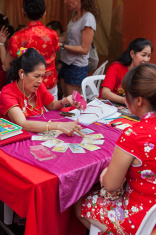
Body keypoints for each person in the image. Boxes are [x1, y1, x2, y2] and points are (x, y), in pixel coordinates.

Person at [75, 63, 156, 234]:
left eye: (126, 95)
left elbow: (111, 185)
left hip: (141, 218)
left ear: (139, 100)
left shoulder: (134, 134)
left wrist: (105, 175)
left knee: (78, 201)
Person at [0, 48, 84, 137]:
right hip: (20, 137)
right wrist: (58, 125)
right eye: (36, 76)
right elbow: (23, 123)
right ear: (21, 73)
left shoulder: (38, 86)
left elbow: (52, 105)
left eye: (42, 76)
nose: (40, 81)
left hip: (40, 132)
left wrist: (65, 100)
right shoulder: (7, 93)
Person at [1, 0, 60, 100]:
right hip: (49, 85)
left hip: (28, 86)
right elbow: (55, 51)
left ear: (24, 12)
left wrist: (1, 43)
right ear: (44, 13)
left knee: (30, 115)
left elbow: (6, 66)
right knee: (52, 114)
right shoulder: (52, 34)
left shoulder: (17, 37)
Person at [59, 0, 99, 96]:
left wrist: (63, 46)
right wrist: (50, 37)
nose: (65, 2)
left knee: (72, 103)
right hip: (66, 62)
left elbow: (84, 49)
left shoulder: (88, 18)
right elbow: (68, 37)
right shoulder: (75, 13)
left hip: (76, 66)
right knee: (66, 100)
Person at [100, 38, 153, 104]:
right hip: (107, 105)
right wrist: (128, 101)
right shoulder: (116, 67)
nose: (146, 59)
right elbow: (105, 93)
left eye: (149, 56)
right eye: (143, 55)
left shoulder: (142, 71)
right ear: (132, 54)